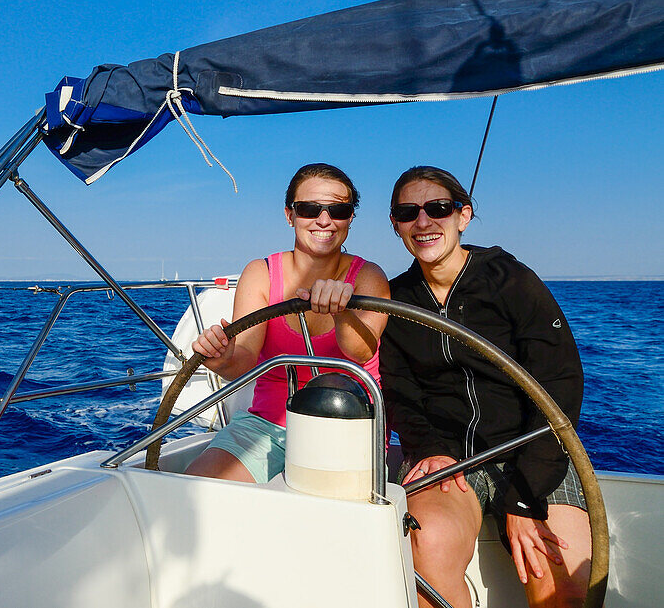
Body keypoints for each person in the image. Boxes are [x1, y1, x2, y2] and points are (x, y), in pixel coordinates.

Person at [379, 166, 589, 608]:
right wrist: (430, 447)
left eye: (438, 208)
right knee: (427, 543)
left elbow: (561, 381)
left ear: (463, 215)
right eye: (407, 212)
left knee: (562, 583)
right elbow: (399, 391)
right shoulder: (395, 299)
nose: (423, 222)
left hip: (532, 449)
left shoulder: (510, 280)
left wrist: (526, 496)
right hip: (447, 455)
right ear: (395, 223)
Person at [185, 163, 390, 483]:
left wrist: (342, 312)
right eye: (309, 209)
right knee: (197, 487)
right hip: (267, 425)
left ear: (350, 218)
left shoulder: (369, 277)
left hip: (349, 423)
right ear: (289, 214)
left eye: (338, 210)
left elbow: (362, 352)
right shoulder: (260, 274)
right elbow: (243, 361)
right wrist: (223, 360)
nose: (324, 220)